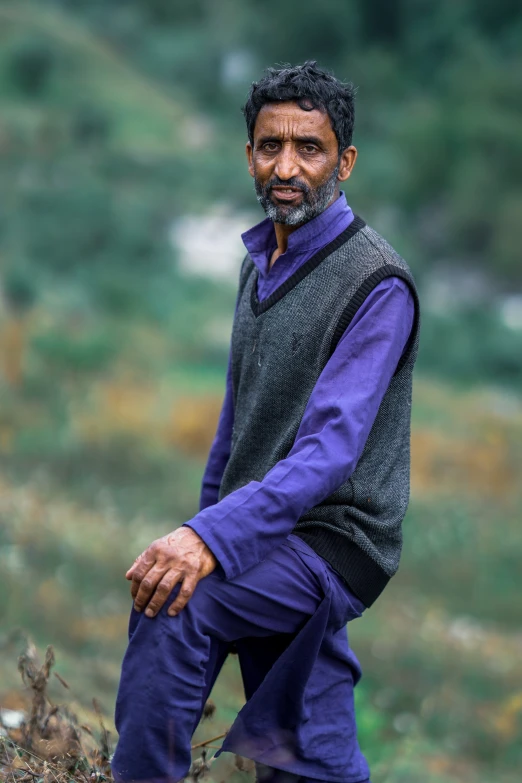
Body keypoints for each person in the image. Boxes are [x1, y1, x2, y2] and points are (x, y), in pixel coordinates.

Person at [111, 61, 421, 783]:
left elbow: (330, 451)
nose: (287, 167)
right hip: (268, 524)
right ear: (247, 154)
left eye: (308, 148)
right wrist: (207, 525)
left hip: (336, 536)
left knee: (178, 607)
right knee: (307, 751)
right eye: (269, 145)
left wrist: (209, 541)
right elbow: (236, 422)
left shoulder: (378, 284)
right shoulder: (260, 263)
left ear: (343, 160)